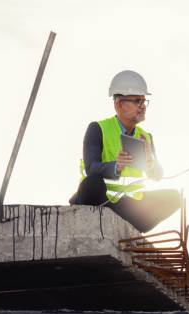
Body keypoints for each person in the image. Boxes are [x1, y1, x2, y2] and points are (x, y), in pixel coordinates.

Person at [70, 70, 180, 232]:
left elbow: (157, 175)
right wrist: (117, 166)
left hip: (129, 206)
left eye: (144, 101)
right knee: (92, 183)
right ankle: (110, 217)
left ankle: (131, 224)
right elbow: (91, 167)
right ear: (119, 104)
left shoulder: (146, 136)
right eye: (137, 101)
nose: (142, 106)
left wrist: (149, 160)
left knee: (174, 198)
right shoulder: (98, 128)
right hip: (101, 198)